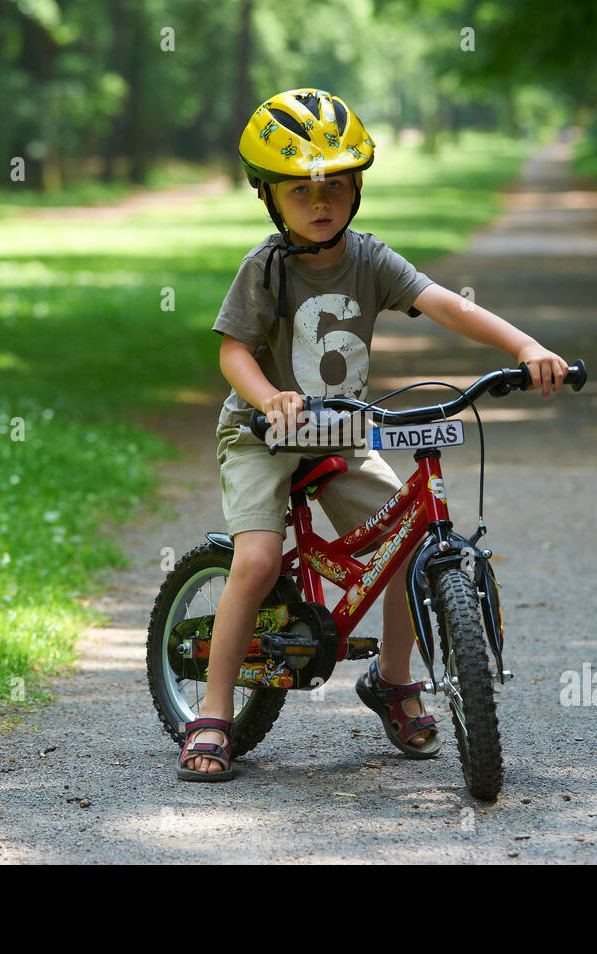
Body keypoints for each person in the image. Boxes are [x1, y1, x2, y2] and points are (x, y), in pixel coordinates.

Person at [178, 88, 569, 781]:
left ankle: (392, 679)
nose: (319, 202)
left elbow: (445, 304)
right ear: (269, 197)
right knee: (261, 560)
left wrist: (525, 346)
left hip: (340, 435)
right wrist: (271, 399)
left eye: (335, 186)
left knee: (409, 537)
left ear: (357, 189)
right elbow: (232, 353)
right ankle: (212, 711)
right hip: (262, 432)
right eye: (300, 191)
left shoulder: (370, 259)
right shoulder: (265, 268)